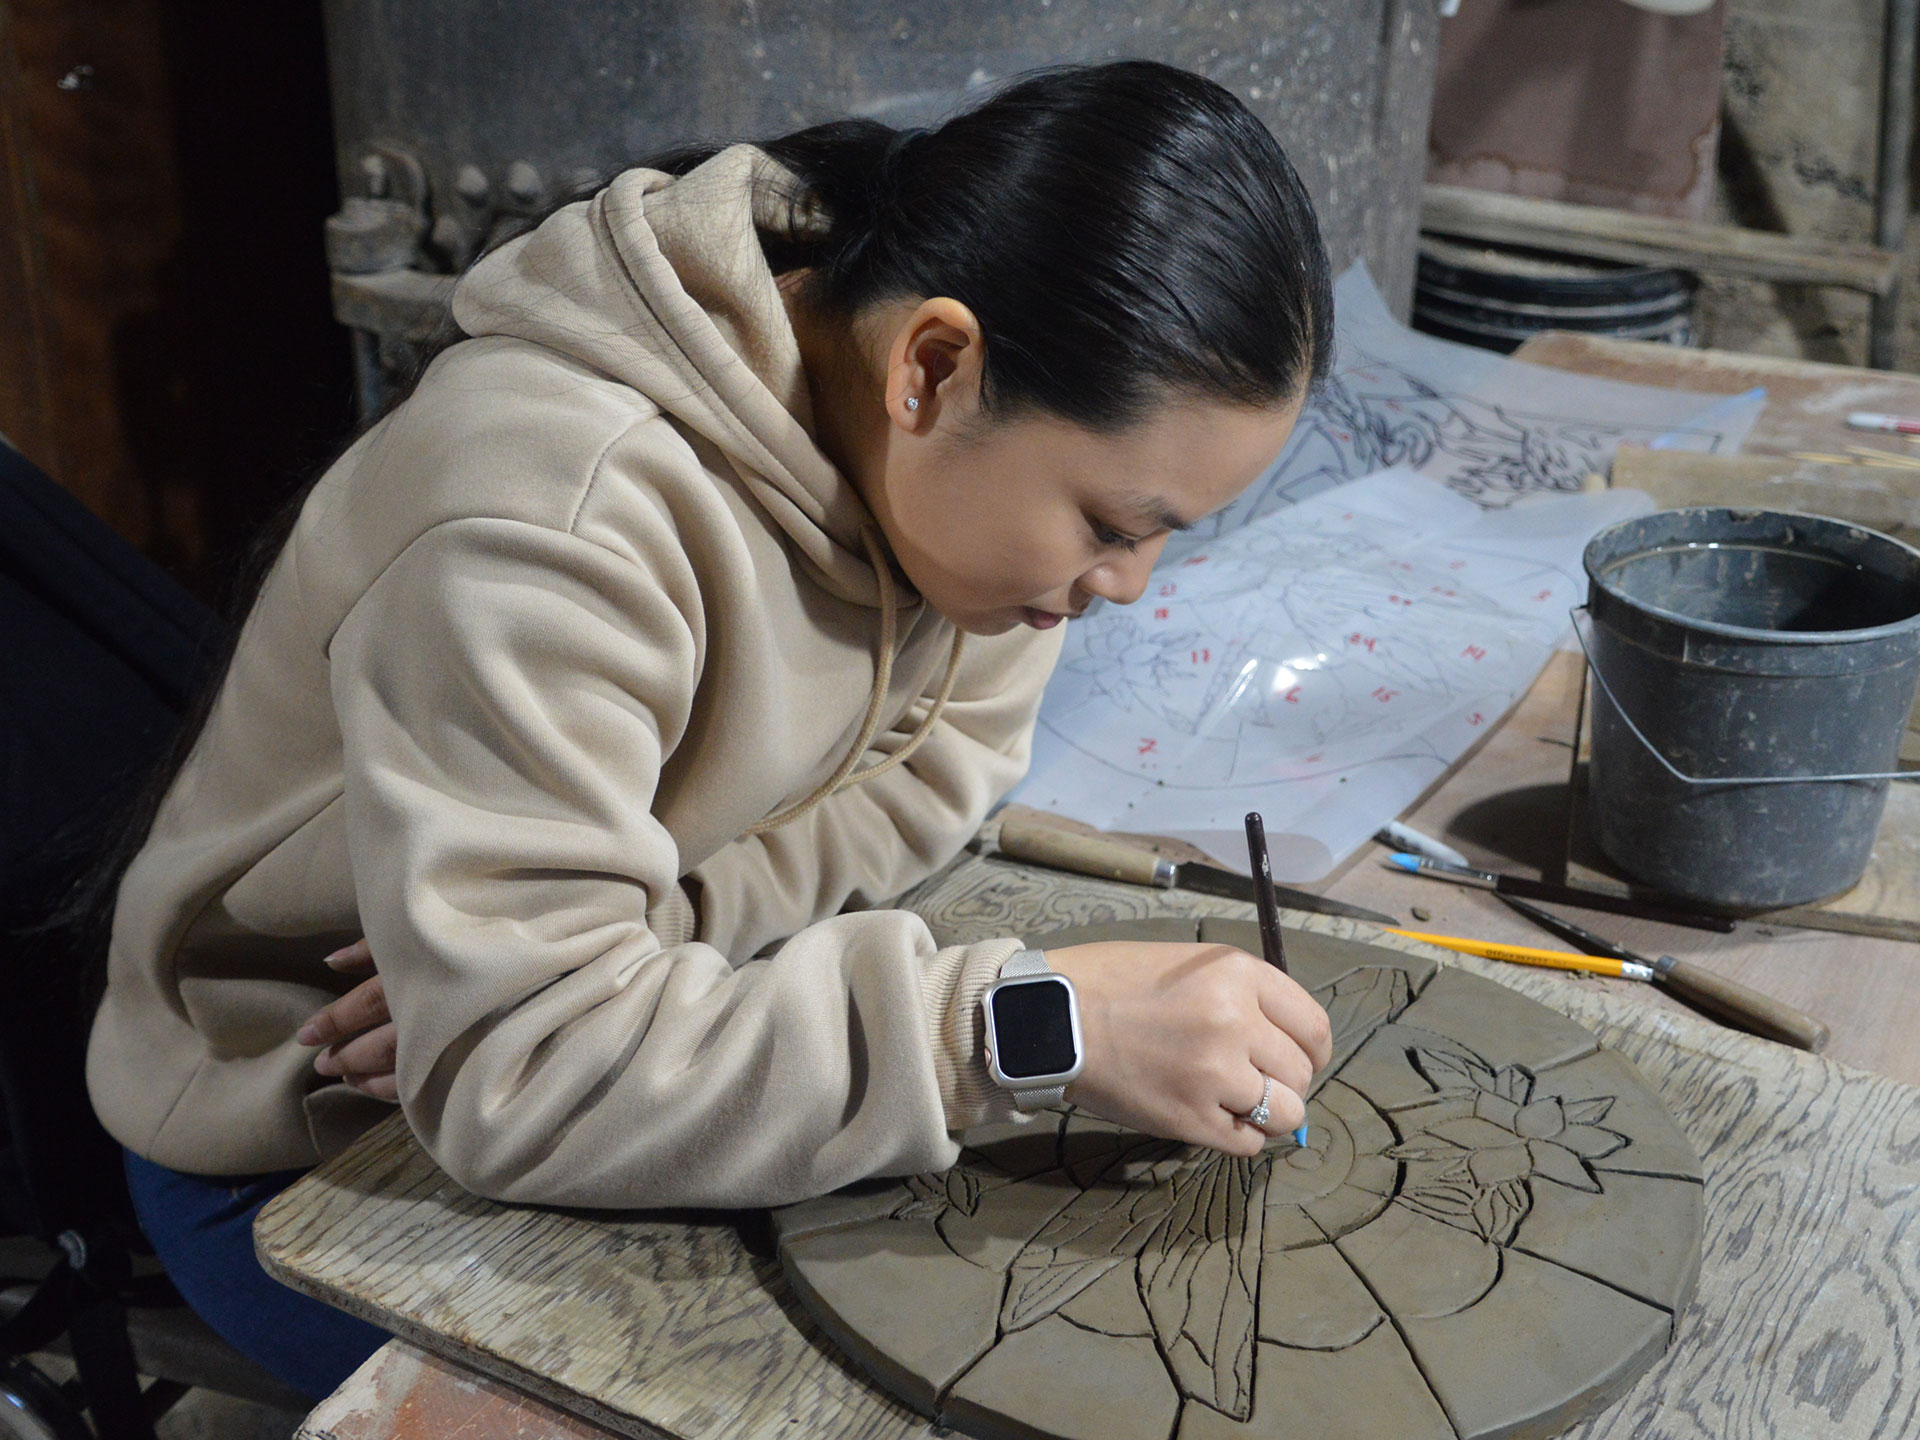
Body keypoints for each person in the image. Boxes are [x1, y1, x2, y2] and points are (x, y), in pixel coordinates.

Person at [85, 60, 1336, 1399]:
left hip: (523, 1045)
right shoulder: (552, 517)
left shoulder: (953, 511)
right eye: (1109, 523)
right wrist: (1020, 1028)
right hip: (307, 1133)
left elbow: (933, 780)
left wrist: (646, 944)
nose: (1124, 587)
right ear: (935, 365)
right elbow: (525, 1082)